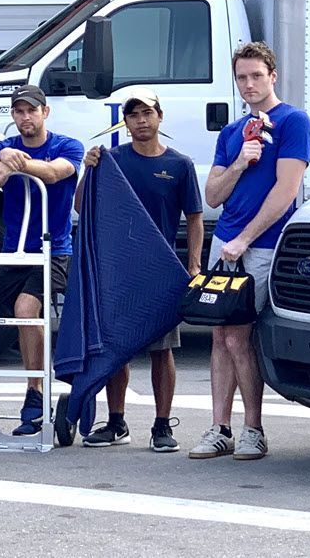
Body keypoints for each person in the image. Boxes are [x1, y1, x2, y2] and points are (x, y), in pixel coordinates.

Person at [195, 42, 310, 461]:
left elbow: (286, 190)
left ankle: (253, 429)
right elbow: (212, 195)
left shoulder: (293, 122)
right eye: (242, 77)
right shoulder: (232, 133)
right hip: (223, 243)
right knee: (219, 336)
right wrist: (241, 163)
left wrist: (245, 239)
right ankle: (218, 427)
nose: (249, 84)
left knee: (238, 336)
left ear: (273, 76)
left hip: (260, 245)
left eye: (256, 76)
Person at [75, 87, 203, 452]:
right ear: (125, 121)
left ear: (160, 117)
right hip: (120, 269)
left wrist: (193, 264)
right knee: (118, 348)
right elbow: (83, 207)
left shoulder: (180, 165)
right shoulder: (112, 159)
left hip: (161, 271)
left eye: (148, 113)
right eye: (133, 115)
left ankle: (162, 426)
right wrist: (88, 170)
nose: (141, 121)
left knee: (162, 350)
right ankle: (116, 422)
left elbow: (195, 219)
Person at [0, 84, 83, 437]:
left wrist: (20, 162)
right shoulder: (2, 147)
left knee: (28, 308)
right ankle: (33, 387)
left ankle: (36, 392)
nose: (26, 117)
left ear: (45, 113)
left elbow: (57, 172)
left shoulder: (67, 145)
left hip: (54, 248)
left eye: (32, 110)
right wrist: (1, 165)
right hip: (14, 249)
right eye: (19, 111)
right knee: (15, 316)